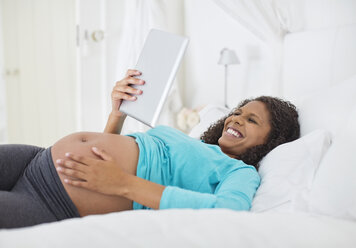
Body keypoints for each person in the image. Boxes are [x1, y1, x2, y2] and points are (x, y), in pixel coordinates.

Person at [0, 69, 300, 229]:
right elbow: (107, 158)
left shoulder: (240, 172)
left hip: (52, 202)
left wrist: (123, 184)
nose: (236, 118)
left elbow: (229, 210)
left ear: (270, 141)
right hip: (34, 158)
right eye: (237, 111)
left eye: (252, 120)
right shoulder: (194, 145)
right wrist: (117, 114)